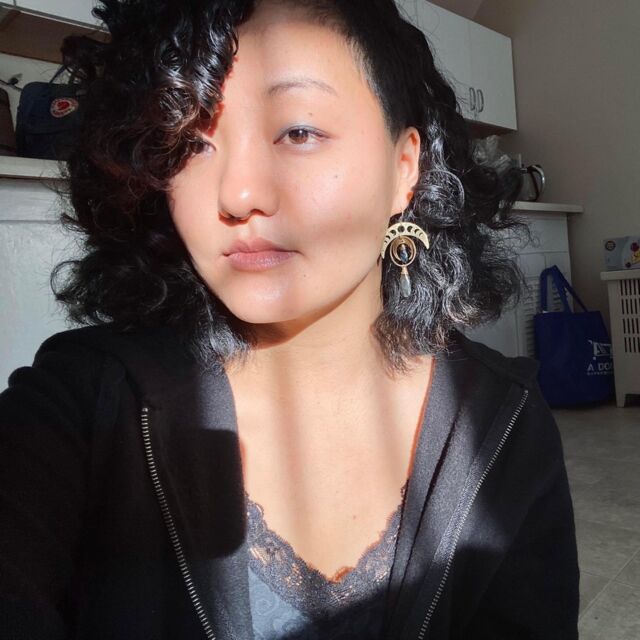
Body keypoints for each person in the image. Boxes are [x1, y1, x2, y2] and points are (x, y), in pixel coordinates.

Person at [0, 0, 580, 638]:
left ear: (404, 167)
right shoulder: (85, 404)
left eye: (298, 132)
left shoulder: (503, 423)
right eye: (191, 143)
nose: (238, 194)